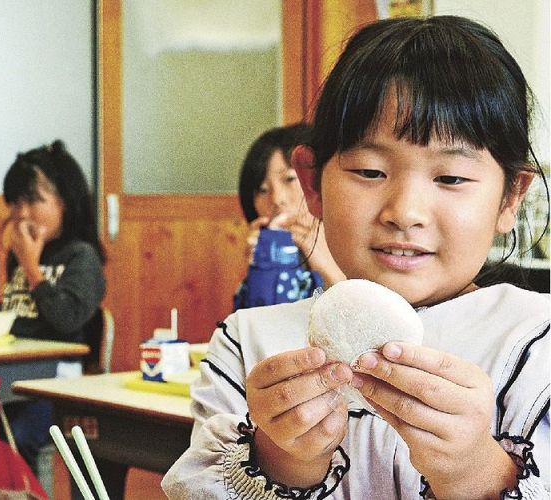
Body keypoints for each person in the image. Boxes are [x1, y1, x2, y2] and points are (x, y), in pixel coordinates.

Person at [162, 15, 549, 499]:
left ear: (510, 197)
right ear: (312, 184)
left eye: (450, 178)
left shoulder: (537, 344)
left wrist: (474, 469)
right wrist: (283, 459)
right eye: (369, 170)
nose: (404, 212)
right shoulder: (250, 345)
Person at [0, 140, 106, 475]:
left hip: (59, 385)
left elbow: (66, 319)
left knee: (20, 438)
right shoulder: (21, 256)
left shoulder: (81, 257)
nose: (22, 213)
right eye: (16, 203)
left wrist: (31, 268)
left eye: (33, 200)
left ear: (66, 202)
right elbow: (12, 319)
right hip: (13, 381)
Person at [234, 124, 344, 310]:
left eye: (290, 179)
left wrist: (316, 253)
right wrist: (260, 269)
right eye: (262, 190)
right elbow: (252, 330)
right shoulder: (266, 257)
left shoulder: (355, 247)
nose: (277, 199)